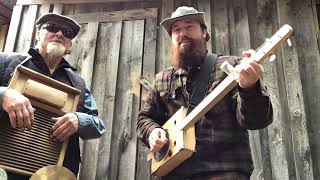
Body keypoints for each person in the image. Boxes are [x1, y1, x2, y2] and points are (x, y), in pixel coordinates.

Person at [136, 6, 273, 180]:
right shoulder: (161, 79)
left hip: (225, 172)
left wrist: (249, 87)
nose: (182, 33)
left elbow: (257, 120)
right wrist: (152, 132)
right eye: (176, 30)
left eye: (189, 26)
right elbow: (144, 118)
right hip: (174, 173)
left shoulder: (232, 67)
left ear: (204, 33)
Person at [0, 13, 106, 179]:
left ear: (70, 43)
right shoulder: (6, 62)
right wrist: (3, 94)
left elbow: (98, 125)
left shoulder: (77, 84)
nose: (59, 34)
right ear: (38, 34)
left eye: (67, 32)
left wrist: (79, 120)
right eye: (52, 27)